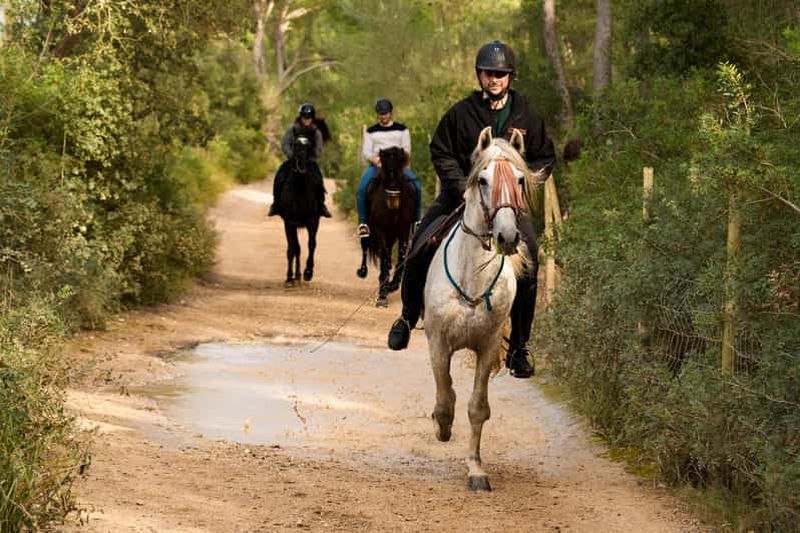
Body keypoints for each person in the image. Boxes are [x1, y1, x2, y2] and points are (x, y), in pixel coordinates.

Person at [386, 40, 556, 378]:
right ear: (479, 75)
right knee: (420, 242)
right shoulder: (461, 113)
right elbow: (440, 150)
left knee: (531, 260)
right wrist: (460, 186)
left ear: (509, 77)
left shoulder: (527, 114)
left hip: (507, 202)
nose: (493, 78)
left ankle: (520, 346)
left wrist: (523, 182)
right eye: (487, 72)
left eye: (500, 74)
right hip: (463, 195)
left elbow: (545, 156)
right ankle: (407, 316)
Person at [356, 98, 422, 238]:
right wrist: (377, 161)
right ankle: (363, 223)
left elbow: (407, 149)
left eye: (386, 113)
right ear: (377, 114)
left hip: (398, 166)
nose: (383, 116)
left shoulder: (402, 129)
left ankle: (417, 221)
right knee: (362, 188)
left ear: (390, 113)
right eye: (381, 114)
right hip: (378, 166)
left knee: (416, 185)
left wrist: (398, 162)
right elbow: (367, 152)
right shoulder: (371, 131)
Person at [268, 103, 332, 218]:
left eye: (309, 118)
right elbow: (284, 144)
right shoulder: (292, 130)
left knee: (318, 178)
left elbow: (319, 148)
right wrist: (291, 155)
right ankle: (276, 204)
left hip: (309, 162)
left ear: (312, 118)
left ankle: (321, 205)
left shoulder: (316, 132)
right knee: (280, 175)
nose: (306, 120)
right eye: (304, 117)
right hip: (293, 160)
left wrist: (311, 157)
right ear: (300, 117)